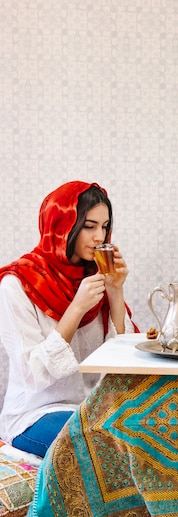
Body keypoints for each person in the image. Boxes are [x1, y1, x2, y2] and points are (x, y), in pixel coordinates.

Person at [0, 181, 138, 457]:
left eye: (105, 226)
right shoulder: (17, 284)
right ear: (61, 225)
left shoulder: (95, 277)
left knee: (153, 435)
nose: (100, 236)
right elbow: (32, 374)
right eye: (89, 226)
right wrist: (75, 309)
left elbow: (122, 362)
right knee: (105, 444)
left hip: (92, 407)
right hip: (35, 413)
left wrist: (115, 290)